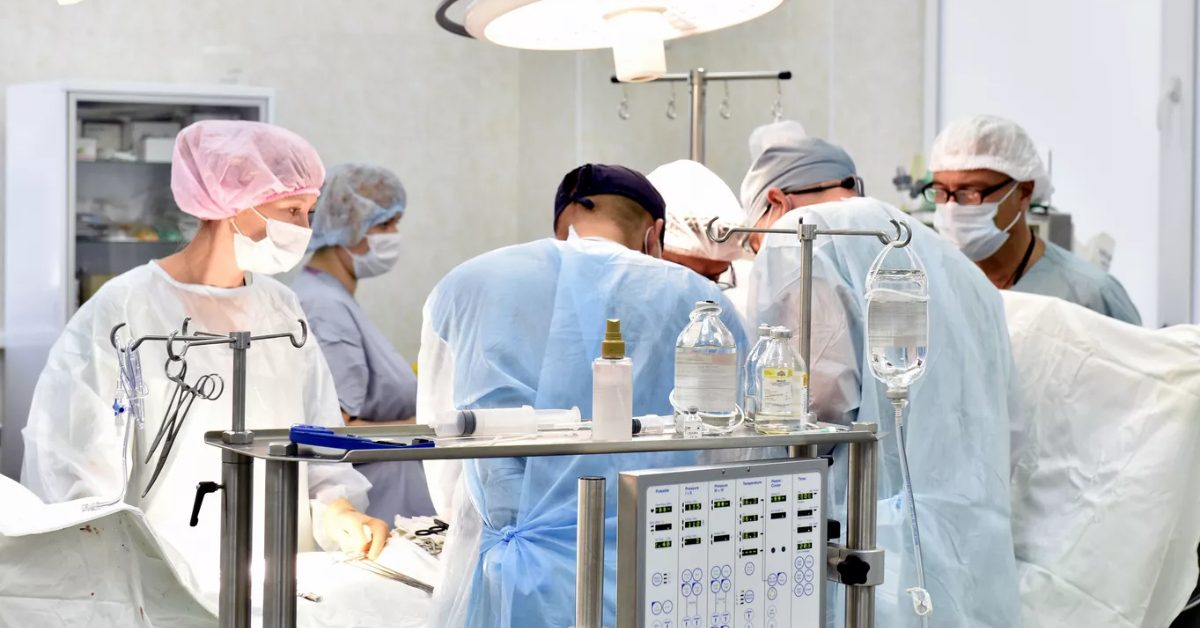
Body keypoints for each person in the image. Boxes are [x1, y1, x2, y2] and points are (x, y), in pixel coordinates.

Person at [20, 120, 388, 611]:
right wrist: (118, 575)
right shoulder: (124, 311)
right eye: (290, 211)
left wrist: (338, 511)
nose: (303, 230)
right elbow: (72, 471)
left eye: (308, 212)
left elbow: (318, 436)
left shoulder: (280, 311)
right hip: (151, 585)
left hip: (276, 576)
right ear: (231, 203)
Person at [416, 163, 748, 627]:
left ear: (560, 227)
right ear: (654, 233)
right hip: (658, 572)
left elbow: (445, 445)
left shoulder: (466, 284)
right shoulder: (701, 302)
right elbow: (734, 455)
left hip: (506, 575)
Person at [741, 121, 1021, 626]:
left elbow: (819, 401)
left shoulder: (798, 237)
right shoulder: (950, 259)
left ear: (775, 202)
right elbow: (1003, 411)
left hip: (863, 536)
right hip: (967, 540)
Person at [293, 162, 436, 521]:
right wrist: (429, 426)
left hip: (391, 499)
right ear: (347, 226)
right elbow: (335, 429)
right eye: (384, 225)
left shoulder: (333, 296)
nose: (394, 235)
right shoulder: (323, 306)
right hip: (373, 506)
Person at [928, 114, 1141, 324]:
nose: (951, 207)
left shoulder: (1090, 295)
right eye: (940, 191)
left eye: (970, 192)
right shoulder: (935, 285)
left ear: (1024, 192)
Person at [647, 159, 750, 317]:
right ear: (647, 245)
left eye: (714, 279)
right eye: (683, 275)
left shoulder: (734, 312)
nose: (699, 296)